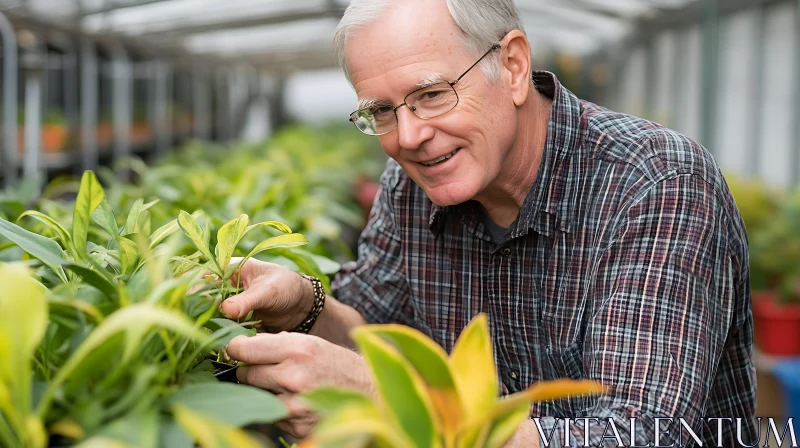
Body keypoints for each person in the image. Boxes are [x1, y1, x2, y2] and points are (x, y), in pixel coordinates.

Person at [223, 0, 756, 445]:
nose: (408, 137)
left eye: (431, 94)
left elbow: (638, 435)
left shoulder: (654, 183)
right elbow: (375, 329)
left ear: (514, 66)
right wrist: (306, 305)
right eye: (381, 112)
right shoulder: (411, 186)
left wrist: (395, 405)